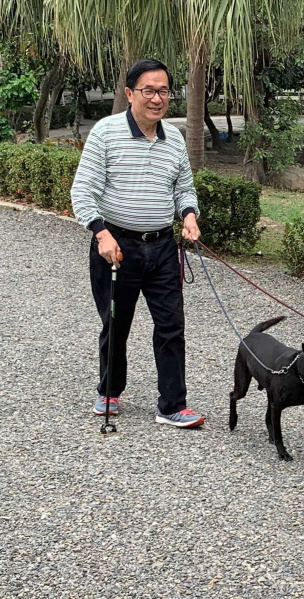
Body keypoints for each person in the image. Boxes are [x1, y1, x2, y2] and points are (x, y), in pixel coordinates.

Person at [71, 58, 205, 428]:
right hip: (116, 245)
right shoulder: (106, 132)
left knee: (171, 325)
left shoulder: (173, 137)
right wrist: (101, 233)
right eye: (149, 90)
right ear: (130, 93)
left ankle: (172, 405)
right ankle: (110, 391)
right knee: (116, 324)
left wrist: (189, 215)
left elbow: (184, 187)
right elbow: (83, 191)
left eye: (163, 90)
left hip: (162, 247)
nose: (157, 98)